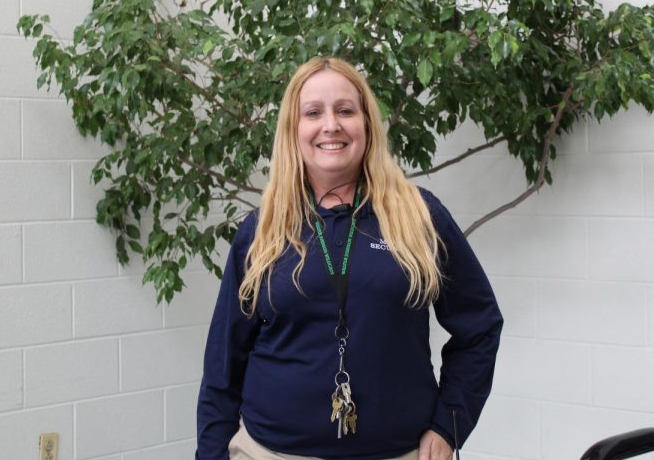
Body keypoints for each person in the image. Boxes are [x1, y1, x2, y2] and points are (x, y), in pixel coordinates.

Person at [196, 57, 503, 460]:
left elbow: (479, 326)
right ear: (294, 130)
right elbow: (223, 365)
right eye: (313, 113)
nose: (331, 125)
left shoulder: (419, 216)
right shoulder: (262, 229)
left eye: (345, 110)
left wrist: (450, 423)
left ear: (367, 125)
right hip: (269, 452)